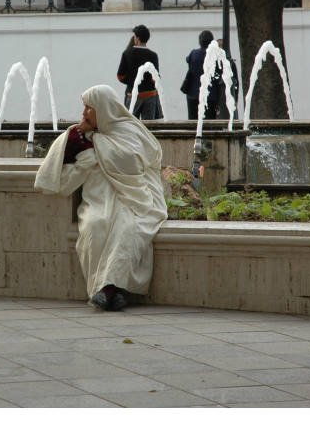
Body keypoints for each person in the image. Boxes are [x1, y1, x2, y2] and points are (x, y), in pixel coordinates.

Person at [34, 85, 167, 311]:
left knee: (128, 228)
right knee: (95, 225)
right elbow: (62, 168)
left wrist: (95, 146)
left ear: (103, 109)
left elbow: (131, 162)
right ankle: (115, 292)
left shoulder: (128, 130)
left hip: (132, 197)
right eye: (84, 107)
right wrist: (86, 143)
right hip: (99, 199)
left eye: (89, 108)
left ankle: (106, 290)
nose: (84, 113)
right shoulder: (84, 134)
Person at [116, 24, 161, 120]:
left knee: (132, 125)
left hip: (133, 95)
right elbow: (155, 79)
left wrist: (131, 81)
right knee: (149, 127)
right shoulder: (153, 55)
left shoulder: (127, 53)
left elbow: (120, 76)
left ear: (136, 38)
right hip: (150, 95)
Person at [182, 30, 214, 119]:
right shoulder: (214, 54)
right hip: (210, 95)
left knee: (193, 123)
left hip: (193, 94)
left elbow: (188, 60)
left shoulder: (194, 53)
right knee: (209, 123)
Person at [208, 38, 239, 120]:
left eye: (222, 46)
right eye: (219, 46)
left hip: (228, 98)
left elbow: (236, 82)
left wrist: (236, 99)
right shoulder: (214, 62)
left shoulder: (230, 63)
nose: (220, 48)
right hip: (219, 99)